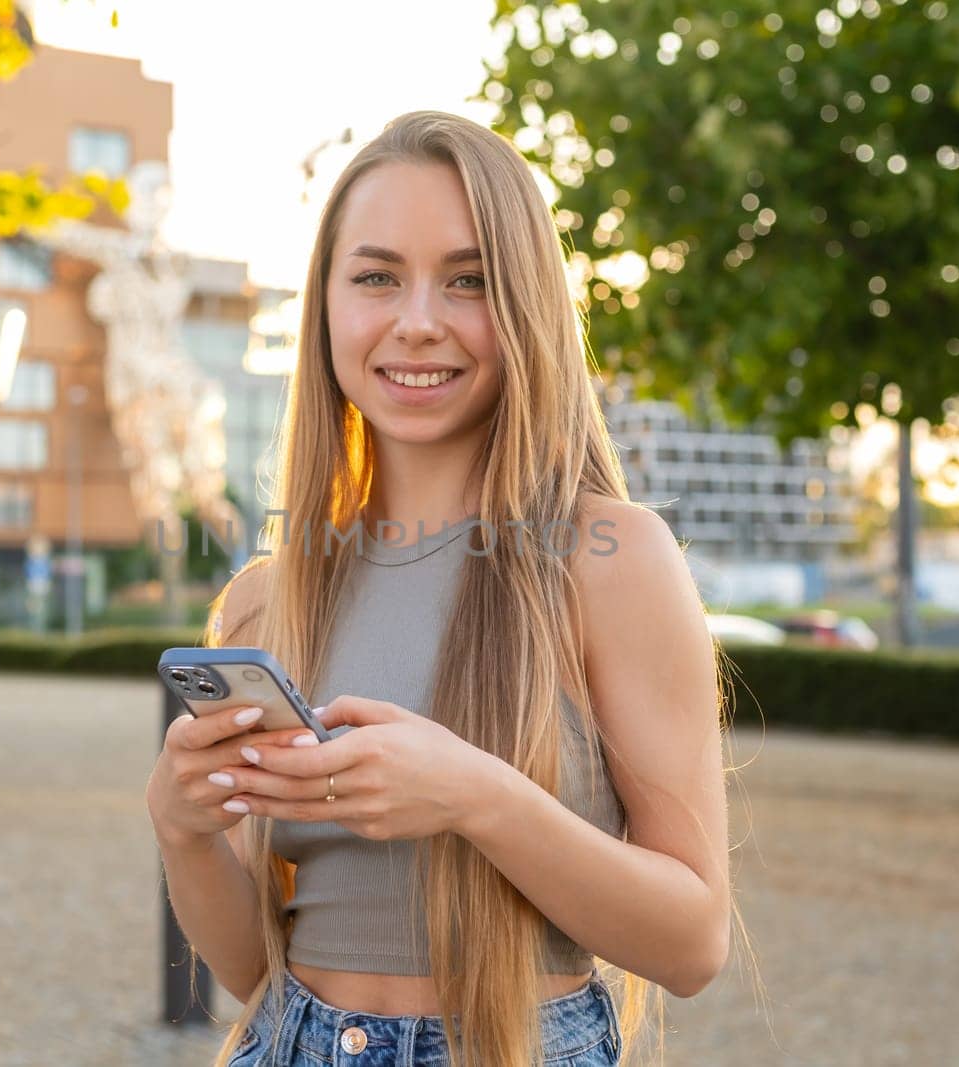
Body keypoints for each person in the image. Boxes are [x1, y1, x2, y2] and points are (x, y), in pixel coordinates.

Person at [145, 110, 733, 1067]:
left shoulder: (610, 558)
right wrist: (180, 829)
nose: (418, 319)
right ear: (325, 306)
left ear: (527, 307)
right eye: (377, 277)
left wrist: (474, 797)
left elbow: (693, 943)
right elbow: (256, 967)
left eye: (469, 280)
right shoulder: (268, 596)